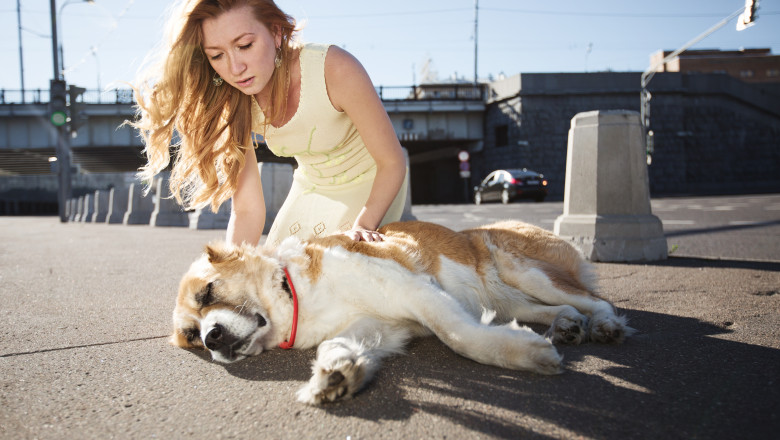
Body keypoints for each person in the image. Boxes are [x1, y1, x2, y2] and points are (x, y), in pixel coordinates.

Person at [131, 0, 408, 247]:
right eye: (217, 55)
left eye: (245, 46)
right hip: (310, 187)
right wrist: (232, 266)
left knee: (333, 271)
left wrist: (363, 226)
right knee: (275, 271)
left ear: (275, 32)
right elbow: (247, 209)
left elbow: (392, 162)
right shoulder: (233, 102)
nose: (235, 68)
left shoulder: (334, 68)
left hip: (374, 188)